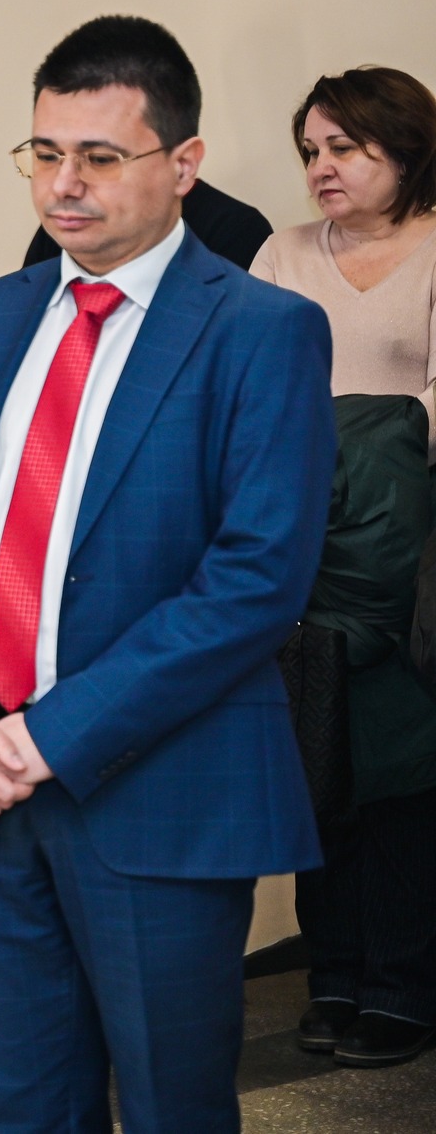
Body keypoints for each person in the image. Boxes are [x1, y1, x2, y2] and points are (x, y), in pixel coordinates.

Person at [0, 15, 335, 1134]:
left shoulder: (262, 330)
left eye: (98, 156)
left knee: (175, 1107)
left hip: (160, 792)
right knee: (22, 1109)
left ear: (183, 163)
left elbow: (254, 578)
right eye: (43, 152)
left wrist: (51, 733)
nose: (62, 183)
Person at [251, 65, 436, 1067]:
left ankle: (403, 984)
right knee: (314, 755)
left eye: (344, 148)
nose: (320, 167)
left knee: (401, 767)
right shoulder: (282, 254)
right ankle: (332, 972)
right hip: (301, 539)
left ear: (402, 150)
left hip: (413, 545)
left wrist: (342, 443)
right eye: (309, 151)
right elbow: (250, 392)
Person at [23, 177, 272, 269]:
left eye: (101, 157)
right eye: (48, 157)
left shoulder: (237, 227)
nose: (64, 184)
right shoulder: (70, 221)